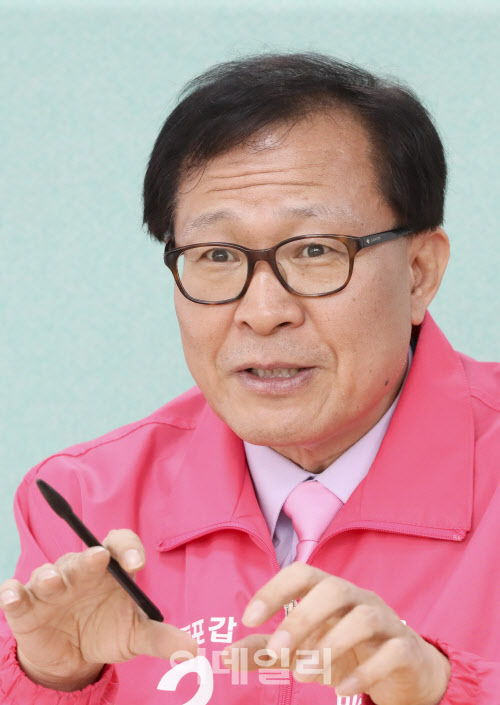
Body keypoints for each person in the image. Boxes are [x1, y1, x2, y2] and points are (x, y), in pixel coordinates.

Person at [0, 52, 499, 705]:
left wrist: (441, 691)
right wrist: (52, 681)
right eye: (216, 255)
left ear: (419, 272)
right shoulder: (88, 504)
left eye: (315, 250)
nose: (263, 312)